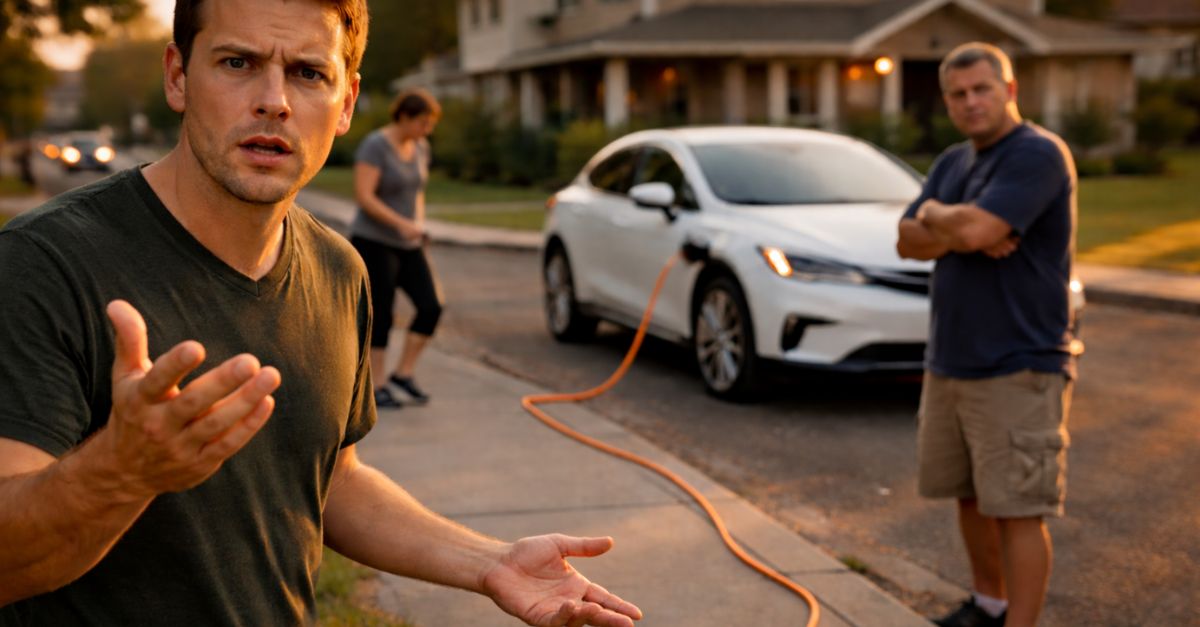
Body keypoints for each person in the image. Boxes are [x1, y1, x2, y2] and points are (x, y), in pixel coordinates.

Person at [0, 1, 642, 626]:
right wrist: (120, 473)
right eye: (236, 63)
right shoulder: (43, 265)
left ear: (346, 102)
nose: (274, 100)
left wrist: (490, 561)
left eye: (309, 73)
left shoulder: (340, 269)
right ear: (177, 76)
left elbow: (329, 478)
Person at [896, 42, 1078, 627]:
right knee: (970, 495)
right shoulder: (954, 161)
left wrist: (943, 219)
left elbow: (972, 231)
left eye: (982, 89)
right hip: (951, 360)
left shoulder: (1038, 155)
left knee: (1019, 510)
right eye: (958, 94)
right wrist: (947, 222)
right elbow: (905, 239)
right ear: (947, 101)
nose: (971, 102)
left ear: (1009, 90)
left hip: (1018, 363)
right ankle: (988, 605)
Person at [350, 88, 442, 409]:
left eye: (429, 125)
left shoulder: (420, 147)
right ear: (403, 117)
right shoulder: (375, 146)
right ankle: (378, 384)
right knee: (383, 314)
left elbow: (416, 191)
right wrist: (401, 223)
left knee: (431, 307)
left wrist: (417, 223)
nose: (426, 130)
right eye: (422, 123)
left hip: (408, 242)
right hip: (373, 241)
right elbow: (365, 197)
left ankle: (404, 373)